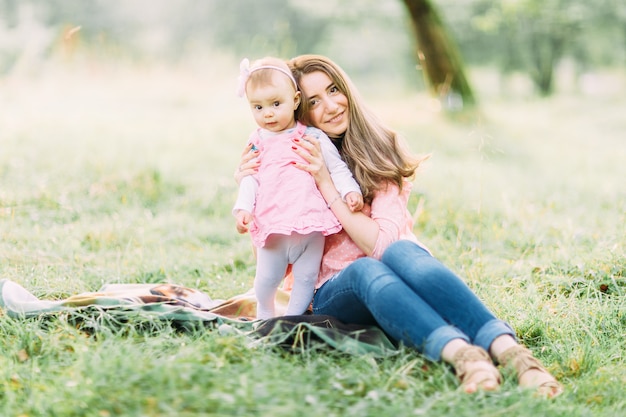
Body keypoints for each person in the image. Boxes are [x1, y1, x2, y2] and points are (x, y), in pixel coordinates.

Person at [235, 54, 563, 397]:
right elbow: (274, 235)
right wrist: (248, 181)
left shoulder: (381, 146)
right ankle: (465, 357)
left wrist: (327, 185)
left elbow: (380, 244)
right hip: (335, 289)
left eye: (334, 89)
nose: (331, 106)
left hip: (401, 266)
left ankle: (514, 354)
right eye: (315, 100)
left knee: (403, 250)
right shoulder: (293, 156)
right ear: (298, 108)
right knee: (365, 270)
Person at [233, 57, 363, 320]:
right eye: (258, 107)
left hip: (311, 223)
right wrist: (243, 208)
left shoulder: (312, 136)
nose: (267, 113)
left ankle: (293, 318)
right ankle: (266, 313)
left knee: (306, 277)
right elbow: (250, 177)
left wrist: (350, 190)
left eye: (276, 104)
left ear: (295, 100)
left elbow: (336, 168)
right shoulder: (258, 141)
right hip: (275, 223)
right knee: (267, 278)